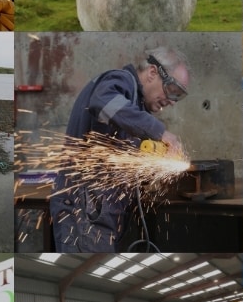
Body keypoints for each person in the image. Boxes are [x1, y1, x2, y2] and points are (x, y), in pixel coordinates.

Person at [50, 47, 191, 252]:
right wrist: (160, 131)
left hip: (99, 210)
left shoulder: (133, 107)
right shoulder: (120, 81)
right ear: (153, 72)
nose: (172, 101)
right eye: (173, 90)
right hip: (84, 211)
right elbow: (103, 102)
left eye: (179, 96)